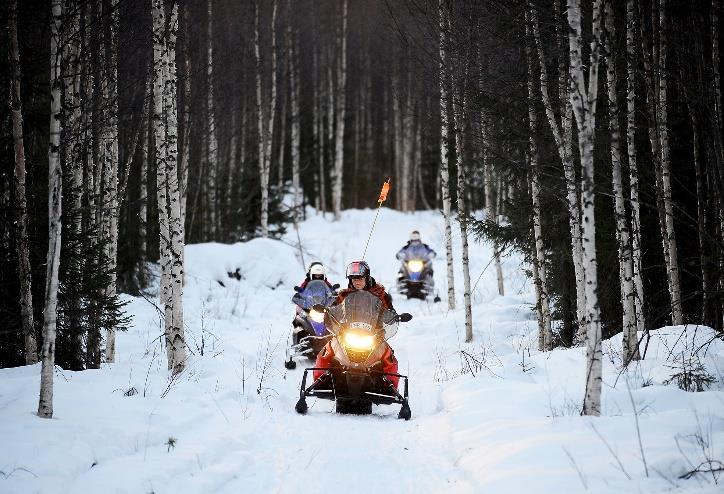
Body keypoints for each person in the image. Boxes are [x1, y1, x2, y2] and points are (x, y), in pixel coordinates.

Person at [314, 260, 399, 387]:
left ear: (367, 278)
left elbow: (389, 312)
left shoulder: (381, 294)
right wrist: (327, 311)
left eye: (359, 279)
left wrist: (394, 317)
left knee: (389, 358)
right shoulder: (344, 295)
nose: (356, 282)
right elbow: (334, 309)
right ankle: (319, 382)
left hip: (375, 335)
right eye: (353, 279)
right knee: (325, 352)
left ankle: (391, 387)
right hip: (347, 334)